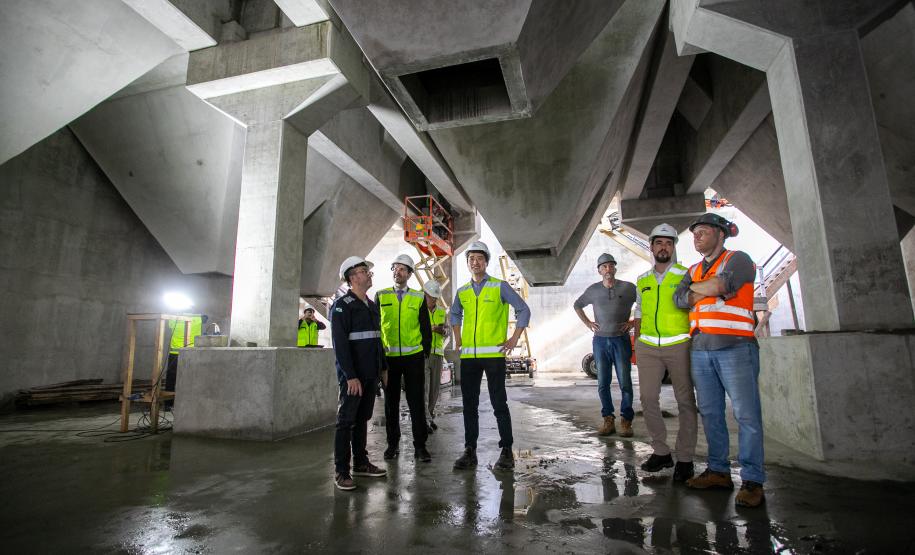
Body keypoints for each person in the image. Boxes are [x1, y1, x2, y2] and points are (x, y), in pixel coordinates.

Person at [674, 213, 765, 507]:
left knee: (746, 416)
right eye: (694, 233)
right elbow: (678, 299)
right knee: (711, 413)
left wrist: (700, 290)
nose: (696, 236)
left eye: (702, 231)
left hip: (736, 347)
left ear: (720, 234)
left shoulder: (738, 259)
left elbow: (721, 287)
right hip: (700, 349)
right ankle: (718, 471)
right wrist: (706, 288)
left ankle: (752, 481)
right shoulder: (694, 268)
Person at [451, 241, 531, 471]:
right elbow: (455, 313)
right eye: (471, 259)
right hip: (469, 357)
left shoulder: (499, 286)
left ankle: (506, 451)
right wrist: (458, 338)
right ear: (467, 263)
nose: (475, 262)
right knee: (469, 405)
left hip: (494, 355)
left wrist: (515, 338)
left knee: (498, 403)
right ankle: (470, 451)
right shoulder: (463, 292)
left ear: (486, 262)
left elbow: (523, 309)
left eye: (479, 258)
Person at [633, 223, 698, 482]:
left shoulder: (686, 275)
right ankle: (661, 451)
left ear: (673, 248)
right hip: (648, 347)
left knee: (685, 402)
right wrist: (637, 341)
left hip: (679, 344)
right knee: (648, 399)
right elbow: (639, 311)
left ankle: (685, 458)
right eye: (659, 243)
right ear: (651, 247)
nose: (664, 247)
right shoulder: (643, 280)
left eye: (669, 243)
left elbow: (694, 306)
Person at [331, 256, 387, 491]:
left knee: (363, 419)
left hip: (370, 374)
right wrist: (350, 376)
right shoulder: (342, 305)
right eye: (365, 271)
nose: (369, 274)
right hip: (353, 377)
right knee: (346, 422)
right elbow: (340, 345)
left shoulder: (371, 305)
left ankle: (361, 463)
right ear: (353, 278)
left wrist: (382, 369)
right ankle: (341, 471)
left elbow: (377, 340)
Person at [375, 254, 433, 463]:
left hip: (413, 359)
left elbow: (426, 330)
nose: (397, 272)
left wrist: (423, 354)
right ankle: (392, 444)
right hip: (389, 360)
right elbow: (376, 329)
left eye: (402, 269)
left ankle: (420, 446)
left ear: (409, 274)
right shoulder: (381, 296)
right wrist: (379, 359)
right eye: (395, 268)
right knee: (391, 403)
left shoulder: (418, 298)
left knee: (416, 402)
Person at [573, 253, 637, 437]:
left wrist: (632, 323)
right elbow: (577, 305)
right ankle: (608, 420)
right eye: (604, 267)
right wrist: (588, 323)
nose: (608, 269)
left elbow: (644, 304)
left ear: (615, 268)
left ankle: (626, 421)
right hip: (600, 341)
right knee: (603, 383)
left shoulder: (628, 288)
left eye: (610, 266)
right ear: (599, 270)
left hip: (621, 339)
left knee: (625, 382)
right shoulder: (593, 290)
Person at [422, 280, 448, 434]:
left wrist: (440, 330)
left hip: (437, 354)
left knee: (434, 390)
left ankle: (430, 416)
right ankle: (424, 420)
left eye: (435, 297)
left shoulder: (441, 311)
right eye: (432, 297)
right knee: (424, 388)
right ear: (425, 295)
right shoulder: (418, 311)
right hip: (423, 353)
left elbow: (447, 331)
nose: (434, 300)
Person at [163, 313, 205, 408]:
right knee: (190, 379)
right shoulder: (199, 319)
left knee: (171, 380)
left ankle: (168, 405)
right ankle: (187, 403)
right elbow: (204, 317)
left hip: (175, 354)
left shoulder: (174, 319)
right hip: (191, 354)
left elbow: (169, 322)